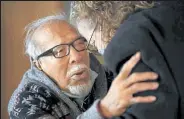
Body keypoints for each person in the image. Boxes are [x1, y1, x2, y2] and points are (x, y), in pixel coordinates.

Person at [8, 13, 159, 119]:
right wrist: (104, 110)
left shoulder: (113, 78)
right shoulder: (26, 102)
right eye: (60, 51)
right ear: (38, 64)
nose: (76, 56)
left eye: (80, 44)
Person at [70, 1, 184, 119]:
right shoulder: (169, 9)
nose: (99, 50)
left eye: (93, 42)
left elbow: (152, 112)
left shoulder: (123, 45)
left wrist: (104, 111)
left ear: (101, 18)